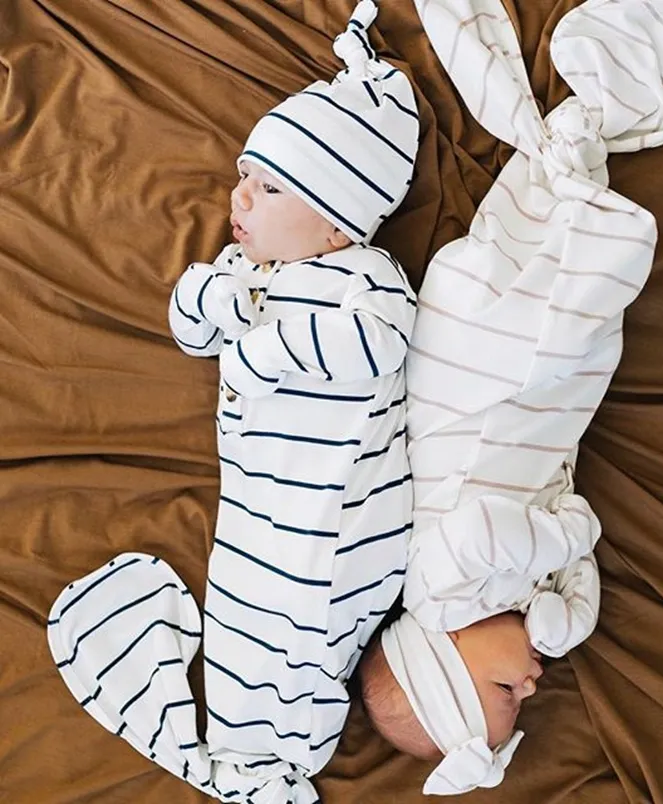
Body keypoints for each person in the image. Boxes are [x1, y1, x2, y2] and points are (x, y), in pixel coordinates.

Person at [357, 0, 663, 796]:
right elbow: (565, 558)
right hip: (543, 404)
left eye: (505, 694)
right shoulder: (514, 600)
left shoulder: (440, 587)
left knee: (579, 289)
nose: (531, 689)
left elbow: (480, 531)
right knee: (585, 334)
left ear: (441, 654)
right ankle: (573, 164)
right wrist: (567, 608)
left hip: (482, 369)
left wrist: (565, 538)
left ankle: (574, 164)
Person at [47, 2, 420, 802]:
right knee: (246, 614)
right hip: (261, 504)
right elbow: (187, 324)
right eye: (244, 178)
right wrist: (217, 301)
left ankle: (269, 761)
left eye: (267, 186)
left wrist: (260, 346)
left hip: (337, 510)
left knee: (305, 630)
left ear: (334, 224)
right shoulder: (245, 277)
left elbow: (371, 349)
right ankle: (248, 755)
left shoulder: (367, 285)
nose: (239, 199)